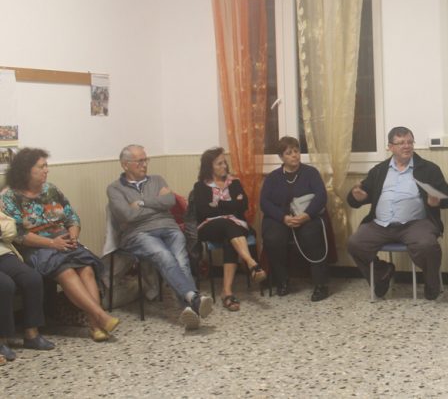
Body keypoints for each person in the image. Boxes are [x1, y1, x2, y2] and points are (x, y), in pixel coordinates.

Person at [1, 148, 119, 343]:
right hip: (36, 247)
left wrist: (73, 235)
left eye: (46, 166)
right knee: (66, 271)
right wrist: (52, 243)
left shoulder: (51, 190)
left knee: (87, 269)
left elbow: (71, 216)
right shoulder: (10, 196)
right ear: (26, 170)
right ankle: (100, 317)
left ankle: (95, 326)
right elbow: (19, 235)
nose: (46, 170)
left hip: (63, 240)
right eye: (41, 167)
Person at [107, 144, 213, 330]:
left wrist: (141, 203)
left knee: (181, 260)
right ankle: (193, 300)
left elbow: (170, 201)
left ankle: (190, 306)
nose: (144, 164)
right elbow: (127, 215)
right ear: (125, 165)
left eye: (145, 159)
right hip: (138, 233)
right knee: (164, 255)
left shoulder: (157, 179)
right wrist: (157, 204)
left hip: (169, 227)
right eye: (139, 161)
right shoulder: (114, 188)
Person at [346, 127, 448, 300]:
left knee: (427, 245)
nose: (407, 146)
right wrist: (357, 197)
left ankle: (431, 282)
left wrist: (437, 201)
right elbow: (357, 198)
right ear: (390, 147)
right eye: (401, 143)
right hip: (380, 224)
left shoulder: (428, 169)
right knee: (354, 243)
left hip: (416, 224)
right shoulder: (379, 170)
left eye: (410, 142)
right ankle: (382, 273)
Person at [192, 147, 266, 311]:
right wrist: (231, 205)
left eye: (224, 162)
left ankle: (227, 292)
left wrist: (218, 205)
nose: (224, 166)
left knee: (230, 235)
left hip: (235, 226)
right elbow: (204, 212)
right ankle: (252, 263)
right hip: (209, 227)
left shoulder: (235, 183)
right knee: (228, 223)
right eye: (219, 164)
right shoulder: (200, 187)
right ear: (209, 167)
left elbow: (243, 205)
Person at [260, 137, 331, 300]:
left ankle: (321, 284)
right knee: (273, 237)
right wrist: (283, 217)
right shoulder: (273, 177)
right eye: (289, 153)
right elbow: (264, 203)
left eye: (296, 151)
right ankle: (282, 280)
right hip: (281, 218)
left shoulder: (311, 173)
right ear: (281, 157)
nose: (294, 155)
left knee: (311, 234)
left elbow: (321, 196)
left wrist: (306, 215)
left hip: (307, 215)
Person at [1, 209, 54, 363]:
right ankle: (2, 341)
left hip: (3, 253)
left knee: (32, 278)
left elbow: (10, 230)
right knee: (4, 285)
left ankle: (32, 334)